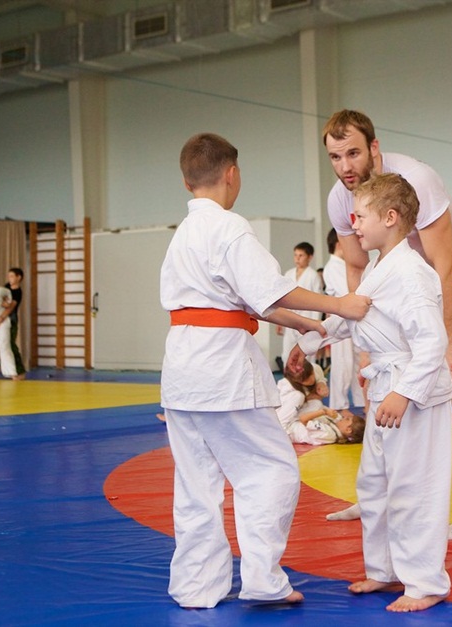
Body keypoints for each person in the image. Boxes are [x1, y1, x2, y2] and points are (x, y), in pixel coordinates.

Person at [158, 132, 370, 610]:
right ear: (231, 174)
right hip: (222, 368)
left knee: (195, 485)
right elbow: (269, 290)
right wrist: (340, 304)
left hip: (182, 368)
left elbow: (244, 300)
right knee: (271, 469)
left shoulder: (183, 234)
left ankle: (196, 587)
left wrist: (301, 324)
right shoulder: (228, 227)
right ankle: (262, 579)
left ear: (187, 181)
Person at [316, 109, 452, 540]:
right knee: (376, 379)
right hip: (398, 285)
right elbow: (357, 267)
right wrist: (365, 342)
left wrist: (446, 341)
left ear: (374, 147)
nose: (345, 166)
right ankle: (376, 494)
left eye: (353, 153)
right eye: (336, 157)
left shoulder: (417, 178)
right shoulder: (340, 198)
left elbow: (445, 264)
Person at [296, 173, 452, 612]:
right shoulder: (378, 269)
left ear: (390, 217)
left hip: (413, 392)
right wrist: (307, 341)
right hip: (386, 387)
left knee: (413, 487)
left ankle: (425, 582)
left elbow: (432, 341)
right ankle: (384, 569)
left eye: (361, 216)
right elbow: (352, 316)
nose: (354, 224)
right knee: (374, 484)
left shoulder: (413, 273)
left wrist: (404, 392)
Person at [322, 228, 365, 414]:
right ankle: (339, 405)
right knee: (343, 363)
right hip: (341, 319)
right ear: (340, 243)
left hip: (353, 318)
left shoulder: (343, 265)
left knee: (356, 362)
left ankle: (360, 400)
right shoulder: (333, 266)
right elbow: (349, 292)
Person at [277, 360, 365, 446]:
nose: (344, 417)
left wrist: (321, 383)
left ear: (348, 429)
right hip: (285, 417)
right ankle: (279, 426)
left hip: (291, 428)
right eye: (347, 418)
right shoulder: (290, 389)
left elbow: (303, 419)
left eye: (347, 419)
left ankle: (279, 429)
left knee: (316, 403)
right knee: (304, 398)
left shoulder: (329, 434)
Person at [278, 242, 324, 364]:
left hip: (307, 319)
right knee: (286, 355)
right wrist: (280, 321)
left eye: (301, 255)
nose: (297, 258)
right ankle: (288, 377)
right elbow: (282, 298)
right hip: (290, 320)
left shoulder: (313, 276)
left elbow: (318, 302)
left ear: (310, 257)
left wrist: (314, 324)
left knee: (306, 356)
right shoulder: (288, 274)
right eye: (295, 255)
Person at [0, 267, 26, 380]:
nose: (9, 278)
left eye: (12, 276)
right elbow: (0, 301)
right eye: (9, 276)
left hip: (10, 319)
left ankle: (19, 371)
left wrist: (2, 317)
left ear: (18, 277)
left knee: (10, 345)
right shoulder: (6, 287)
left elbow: (10, 307)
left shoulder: (17, 292)